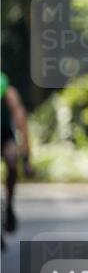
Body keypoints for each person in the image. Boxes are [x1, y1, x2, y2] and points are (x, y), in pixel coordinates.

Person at [1, 72, 33, 242]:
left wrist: (26, 157)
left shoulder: (8, 93)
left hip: (4, 135)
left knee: (12, 158)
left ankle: (9, 204)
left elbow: (21, 124)